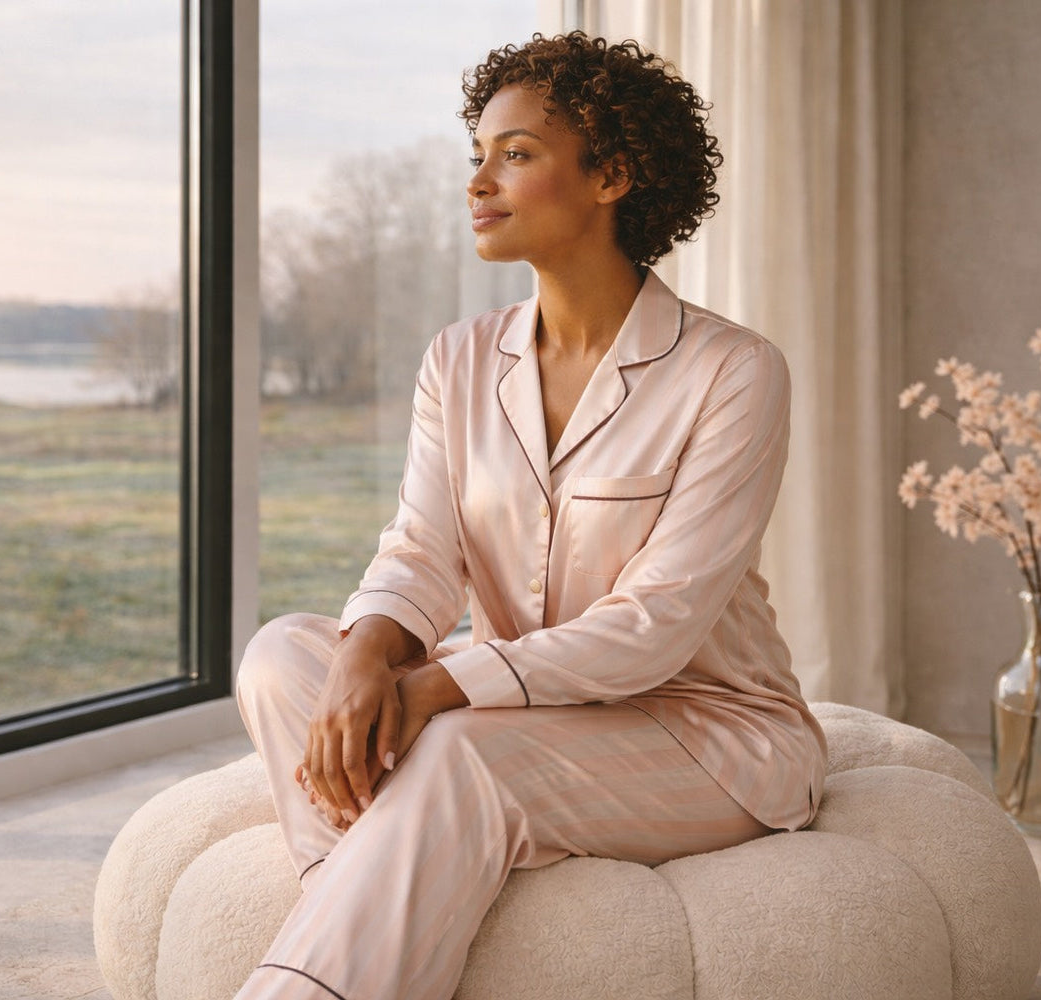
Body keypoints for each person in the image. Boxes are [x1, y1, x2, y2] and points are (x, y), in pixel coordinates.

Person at [233, 31, 827, 1000]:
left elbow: (656, 625)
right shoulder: (460, 358)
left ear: (613, 176)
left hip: (707, 732)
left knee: (463, 752)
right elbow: (422, 549)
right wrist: (363, 656)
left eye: (516, 153)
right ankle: (372, 908)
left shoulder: (733, 371)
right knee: (281, 656)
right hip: (523, 708)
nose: (479, 180)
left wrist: (429, 689)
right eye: (477, 154)